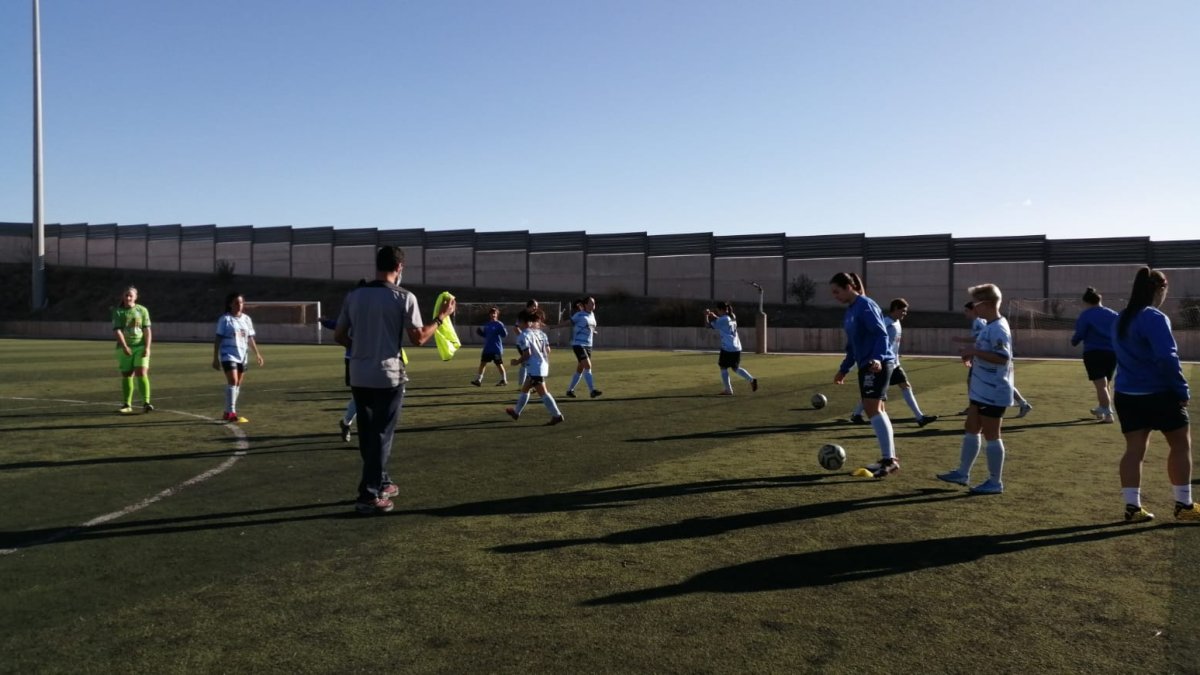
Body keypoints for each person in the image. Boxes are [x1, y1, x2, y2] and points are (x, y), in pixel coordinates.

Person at [334, 246, 454, 515]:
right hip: (388, 374)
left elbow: (339, 335)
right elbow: (419, 338)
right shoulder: (404, 297)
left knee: (368, 433)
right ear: (399, 267)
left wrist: (361, 349)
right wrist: (441, 317)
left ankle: (381, 481)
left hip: (359, 372)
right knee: (382, 435)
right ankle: (369, 494)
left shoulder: (354, 296)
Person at [1111, 267, 1198, 523]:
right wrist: (1181, 389)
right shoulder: (1154, 317)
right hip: (1159, 393)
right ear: (1161, 289)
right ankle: (1184, 505)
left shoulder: (1120, 318)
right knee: (1181, 446)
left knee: (1134, 450)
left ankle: (1132, 508)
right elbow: (1167, 358)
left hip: (1127, 395)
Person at [937, 283, 1014, 494]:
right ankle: (963, 472)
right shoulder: (989, 325)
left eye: (976, 304)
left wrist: (974, 351)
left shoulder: (998, 328)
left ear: (987, 304)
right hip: (981, 389)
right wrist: (971, 352)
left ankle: (995, 482)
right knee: (971, 427)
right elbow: (984, 350)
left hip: (994, 390)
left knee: (992, 435)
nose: (973, 308)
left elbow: (1002, 357)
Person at [830, 272, 899, 478]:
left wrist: (877, 358)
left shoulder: (865, 305)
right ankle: (889, 458)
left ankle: (890, 460)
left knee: (872, 409)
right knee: (877, 409)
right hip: (865, 364)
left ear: (849, 286)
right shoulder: (850, 311)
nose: (835, 296)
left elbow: (881, 334)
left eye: (837, 291)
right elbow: (852, 346)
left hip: (876, 364)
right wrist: (844, 369)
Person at [848, 298, 936, 427]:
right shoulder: (885, 323)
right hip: (882, 364)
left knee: (904, 386)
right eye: (903, 311)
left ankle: (920, 418)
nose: (905, 314)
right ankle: (856, 414)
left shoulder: (897, 322)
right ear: (895, 308)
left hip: (894, 363)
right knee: (875, 392)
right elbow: (874, 339)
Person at [505, 308, 564, 425]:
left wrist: (517, 361)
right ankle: (516, 412)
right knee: (525, 388)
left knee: (544, 392)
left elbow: (527, 354)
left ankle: (557, 415)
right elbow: (548, 350)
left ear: (523, 322)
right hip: (542, 365)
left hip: (535, 367)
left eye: (519, 322)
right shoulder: (541, 333)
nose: (518, 324)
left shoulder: (523, 336)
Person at [212, 292, 263, 423]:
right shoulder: (225, 319)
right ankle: (232, 412)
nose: (239, 305)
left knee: (238, 384)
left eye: (241, 303)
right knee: (233, 381)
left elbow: (250, 338)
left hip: (242, 355)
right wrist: (215, 357)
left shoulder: (246, 319)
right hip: (228, 354)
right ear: (230, 304)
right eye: (236, 303)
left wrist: (257, 354)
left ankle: (226, 411)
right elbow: (218, 338)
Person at [1070, 286, 1119, 424]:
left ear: (1086, 302)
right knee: (1105, 384)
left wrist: (1074, 341)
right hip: (1111, 353)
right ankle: (1105, 413)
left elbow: (1080, 333)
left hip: (1094, 352)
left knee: (1101, 385)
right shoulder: (1114, 314)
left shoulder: (1086, 315)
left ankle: (1106, 411)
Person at [112, 286, 153, 414]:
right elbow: (117, 330)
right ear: (123, 297)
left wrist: (147, 347)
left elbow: (147, 330)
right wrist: (124, 346)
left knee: (141, 373)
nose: (128, 298)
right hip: (124, 347)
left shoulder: (142, 310)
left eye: (131, 295)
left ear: (136, 297)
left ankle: (146, 403)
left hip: (140, 346)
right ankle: (127, 404)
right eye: (126, 295)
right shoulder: (118, 311)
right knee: (127, 375)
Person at [703, 302, 757, 395]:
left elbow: (708, 325)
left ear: (721, 309)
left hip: (727, 347)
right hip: (737, 346)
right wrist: (714, 315)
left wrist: (706, 316)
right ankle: (751, 379)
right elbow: (723, 321)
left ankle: (728, 389)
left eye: (717, 310)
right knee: (735, 368)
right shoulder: (732, 316)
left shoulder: (723, 319)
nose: (717, 312)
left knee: (723, 367)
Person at [565, 296, 602, 399]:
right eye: (591, 303)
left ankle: (569, 390)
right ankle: (592, 390)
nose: (593, 305)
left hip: (588, 345)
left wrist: (593, 331)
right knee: (588, 366)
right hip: (578, 344)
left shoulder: (592, 315)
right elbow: (569, 322)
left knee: (580, 369)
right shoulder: (579, 314)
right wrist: (554, 327)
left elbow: (589, 326)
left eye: (594, 303)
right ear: (585, 304)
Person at [471, 307, 508, 387]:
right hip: (487, 348)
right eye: (491, 313)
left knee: (499, 364)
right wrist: (481, 333)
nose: (493, 314)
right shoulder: (487, 325)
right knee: (482, 364)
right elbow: (486, 335)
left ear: (497, 314)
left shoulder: (499, 324)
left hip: (496, 348)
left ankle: (504, 380)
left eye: (494, 313)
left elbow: (504, 335)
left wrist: (502, 330)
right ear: (489, 314)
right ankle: (479, 380)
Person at [512, 299, 539, 387]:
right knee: (529, 362)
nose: (536, 308)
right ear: (529, 306)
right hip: (523, 343)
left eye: (536, 306)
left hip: (530, 342)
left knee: (526, 362)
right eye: (534, 306)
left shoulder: (532, 316)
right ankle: (527, 385)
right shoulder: (522, 315)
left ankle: (523, 385)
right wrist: (523, 337)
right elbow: (515, 328)